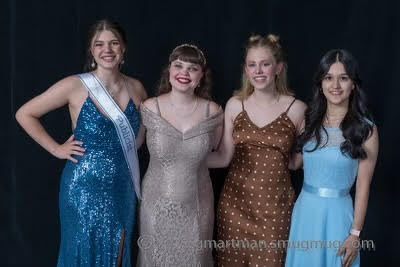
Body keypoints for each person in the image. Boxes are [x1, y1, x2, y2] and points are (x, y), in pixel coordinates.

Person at [15, 19, 147, 266]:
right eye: (99, 44)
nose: (107, 50)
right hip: (82, 187)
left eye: (113, 43)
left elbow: (141, 134)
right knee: (81, 255)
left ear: (123, 48)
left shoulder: (137, 88)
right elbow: (24, 113)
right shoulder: (75, 85)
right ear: (91, 50)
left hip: (122, 186)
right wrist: (56, 148)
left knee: (117, 255)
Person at [207, 34, 306, 266]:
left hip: (275, 210)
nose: (258, 70)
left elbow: (296, 162)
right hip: (234, 207)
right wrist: (182, 160)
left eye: (265, 63)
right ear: (245, 69)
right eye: (252, 64)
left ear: (278, 67)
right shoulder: (234, 104)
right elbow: (223, 157)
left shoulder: (297, 109)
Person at [285, 49, 379, 267]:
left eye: (343, 78)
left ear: (353, 84)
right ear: (320, 83)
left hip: (338, 217)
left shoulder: (366, 130)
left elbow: (364, 187)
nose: (335, 85)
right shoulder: (309, 122)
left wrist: (355, 234)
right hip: (305, 214)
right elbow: (293, 163)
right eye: (329, 78)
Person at [137, 44, 223, 266]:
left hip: (197, 207)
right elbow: (131, 147)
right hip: (155, 207)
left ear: (201, 75)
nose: (184, 73)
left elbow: (216, 157)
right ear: (169, 70)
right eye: (178, 66)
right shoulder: (149, 108)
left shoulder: (213, 112)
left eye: (192, 68)